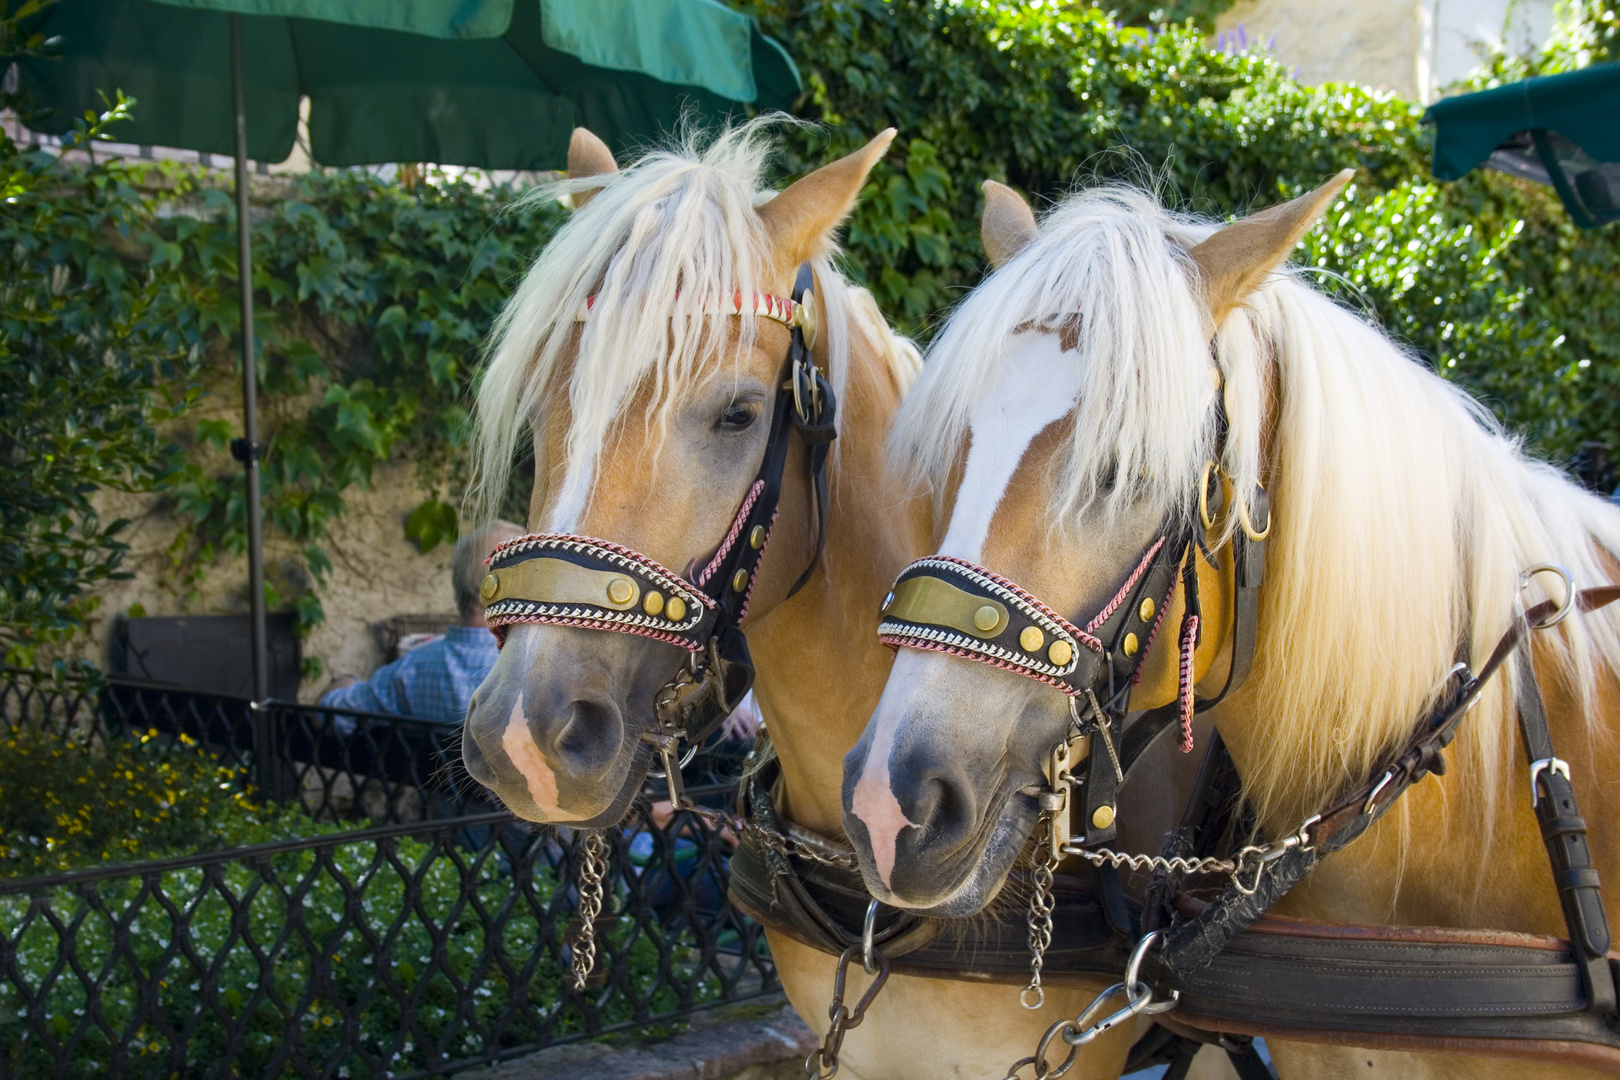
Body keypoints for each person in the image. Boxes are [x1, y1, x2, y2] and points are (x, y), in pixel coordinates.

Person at [321, 520, 524, 724]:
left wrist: (344, 680)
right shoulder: (532, 674)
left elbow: (326, 715)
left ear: (458, 585)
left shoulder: (412, 668)